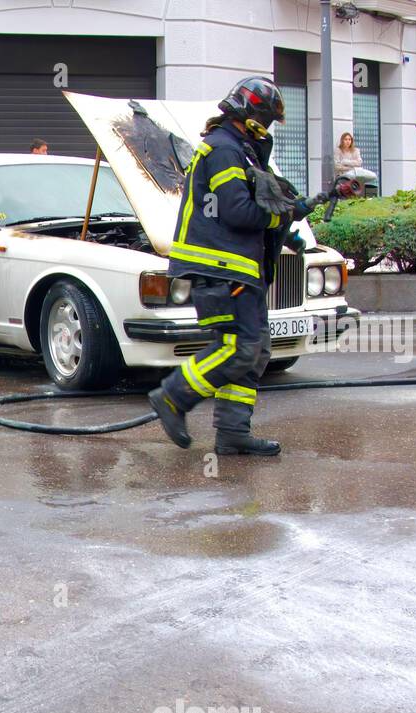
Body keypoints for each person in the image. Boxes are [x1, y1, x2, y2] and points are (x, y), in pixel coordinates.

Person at [148, 76, 326, 456]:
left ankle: (232, 432)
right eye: (269, 119)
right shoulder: (224, 150)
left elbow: (253, 211)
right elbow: (240, 211)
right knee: (240, 346)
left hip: (235, 267)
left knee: (255, 349)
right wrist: (283, 215)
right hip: (221, 267)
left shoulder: (239, 149)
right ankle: (173, 396)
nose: (271, 128)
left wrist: (289, 233)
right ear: (252, 112)